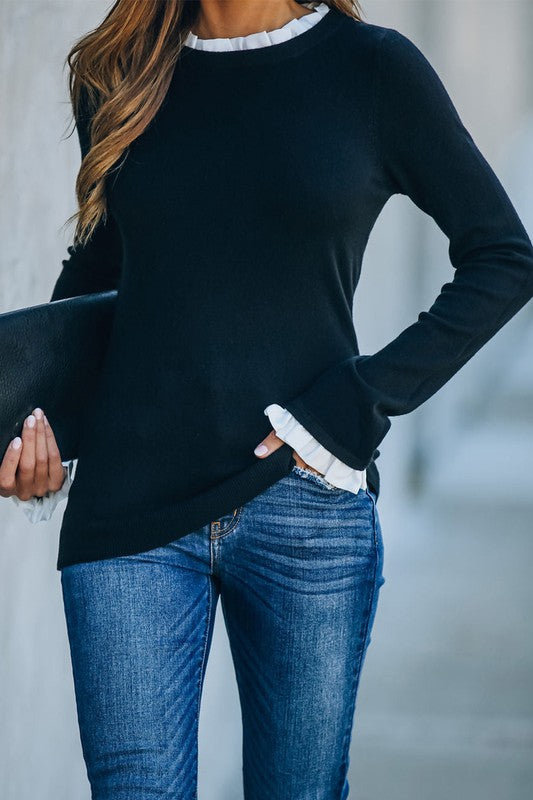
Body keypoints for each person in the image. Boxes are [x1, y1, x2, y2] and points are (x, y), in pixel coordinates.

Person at [2, 1, 532, 796]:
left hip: (307, 509)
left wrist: (359, 403)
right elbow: (107, 279)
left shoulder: (373, 70)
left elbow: (502, 257)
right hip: (129, 515)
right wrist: (36, 428)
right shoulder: (119, 70)